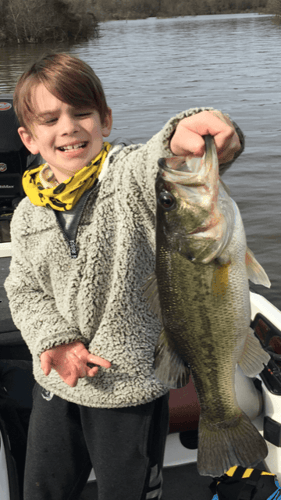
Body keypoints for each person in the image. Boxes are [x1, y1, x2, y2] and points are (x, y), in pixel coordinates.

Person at [4, 52, 244, 500]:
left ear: (106, 120)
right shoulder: (25, 213)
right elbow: (23, 288)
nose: (69, 127)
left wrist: (187, 132)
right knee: (42, 491)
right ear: (28, 138)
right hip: (57, 385)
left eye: (82, 113)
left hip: (130, 390)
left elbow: (158, 159)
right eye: (50, 118)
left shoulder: (128, 180)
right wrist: (53, 339)